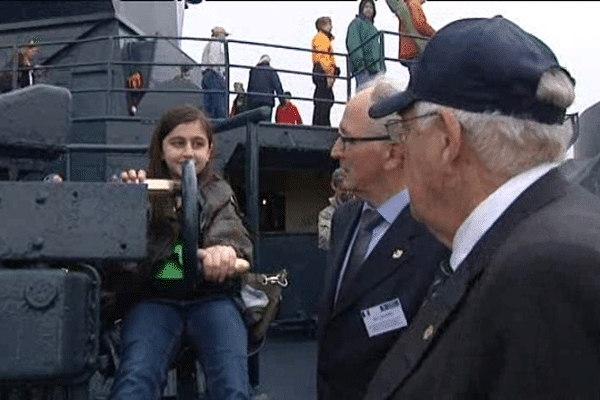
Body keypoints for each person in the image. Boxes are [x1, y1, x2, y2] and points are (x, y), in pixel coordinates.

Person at [365, 16, 600, 399]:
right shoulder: (531, 241)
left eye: (404, 130)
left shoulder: (549, 274)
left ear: (447, 138)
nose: (401, 151)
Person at [107, 104, 252, 400]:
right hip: (155, 300)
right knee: (135, 382)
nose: (188, 152)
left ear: (209, 151)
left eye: (198, 144)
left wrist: (223, 252)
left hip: (211, 298)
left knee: (233, 387)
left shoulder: (219, 193)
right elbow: (128, 262)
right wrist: (129, 205)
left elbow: (232, 234)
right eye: (178, 143)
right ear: (161, 149)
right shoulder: (139, 191)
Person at [316, 77, 448, 400]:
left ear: (392, 153)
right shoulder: (344, 219)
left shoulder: (439, 235)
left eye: (347, 140)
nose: (335, 152)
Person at [346, 0, 384, 90]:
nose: (369, 9)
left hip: (375, 69)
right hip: (363, 68)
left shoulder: (374, 29)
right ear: (361, 9)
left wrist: (382, 68)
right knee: (364, 95)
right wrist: (360, 64)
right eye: (366, 7)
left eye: (371, 7)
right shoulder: (356, 23)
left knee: (375, 98)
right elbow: (353, 44)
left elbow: (378, 49)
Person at [385, 0, 434, 70]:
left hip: (407, 51)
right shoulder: (414, 3)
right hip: (415, 49)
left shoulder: (405, 6)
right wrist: (435, 34)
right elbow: (420, 25)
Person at [311, 17, 340, 127]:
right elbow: (323, 57)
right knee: (324, 99)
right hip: (322, 71)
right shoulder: (321, 38)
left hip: (324, 71)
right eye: (329, 24)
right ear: (322, 26)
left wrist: (334, 72)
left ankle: (321, 123)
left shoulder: (324, 39)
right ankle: (321, 124)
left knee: (324, 99)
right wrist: (328, 74)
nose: (331, 27)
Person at [317, 168, 354, 250]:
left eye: (350, 190)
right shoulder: (326, 214)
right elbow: (325, 242)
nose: (348, 194)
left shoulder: (361, 210)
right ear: (334, 186)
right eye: (344, 190)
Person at [201, 26, 229, 119]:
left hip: (206, 75)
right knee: (219, 103)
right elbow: (213, 60)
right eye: (224, 35)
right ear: (218, 34)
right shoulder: (216, 43)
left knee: (208, 104)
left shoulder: (208, 44)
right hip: (213, 75)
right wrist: (221, 72)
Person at [246, 54, 284, 121]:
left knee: (255, 123)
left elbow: (249, 88)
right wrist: (282, 101)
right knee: (265, 124)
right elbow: (277, 86)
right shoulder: (271, 71)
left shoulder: (253, 71)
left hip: (254, 103)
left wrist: (248, 102)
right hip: (267, 102)